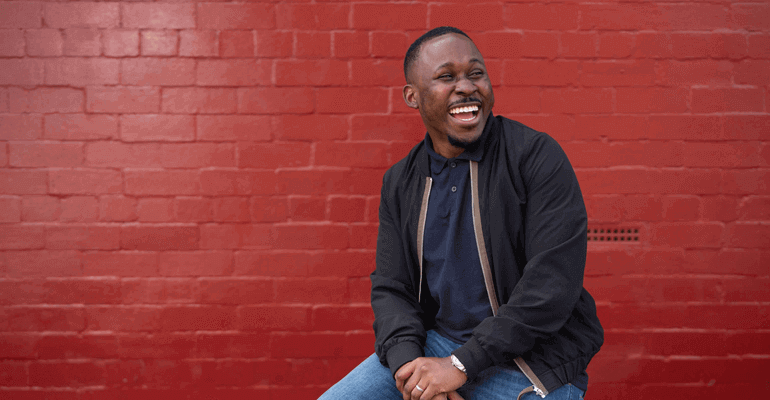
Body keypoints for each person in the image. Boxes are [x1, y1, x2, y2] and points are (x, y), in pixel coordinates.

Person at [319, 26, 603, 400]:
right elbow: (392, 287)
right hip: (436, 348)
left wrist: (459, 366)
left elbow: (551, 287)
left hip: (530, 360)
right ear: (412, 96)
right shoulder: (401, 182)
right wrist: (412, 372)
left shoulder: (534, 156)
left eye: (476, 73)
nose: (467, 86)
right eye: (446, 77)